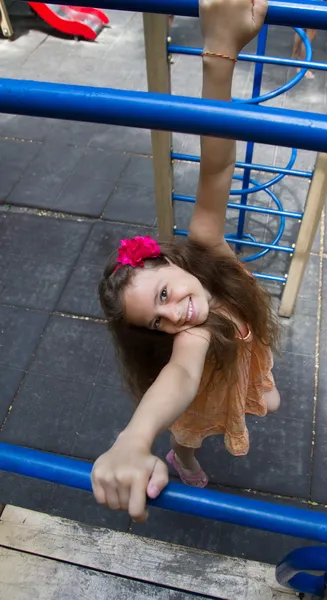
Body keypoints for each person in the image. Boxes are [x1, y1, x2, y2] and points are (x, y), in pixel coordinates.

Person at [92, 0, 280, 523]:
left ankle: (250, 386)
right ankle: (182, 457)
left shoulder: (207, 248)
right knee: (193, 435)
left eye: (164, 296)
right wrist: (135, 437)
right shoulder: (191, 337)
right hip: (203, 388)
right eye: (157, 321)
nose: (173, 317)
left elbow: (217, 166)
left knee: (268, 396)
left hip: (238, 361)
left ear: (171, 263)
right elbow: (178, 377)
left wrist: (219, 53)